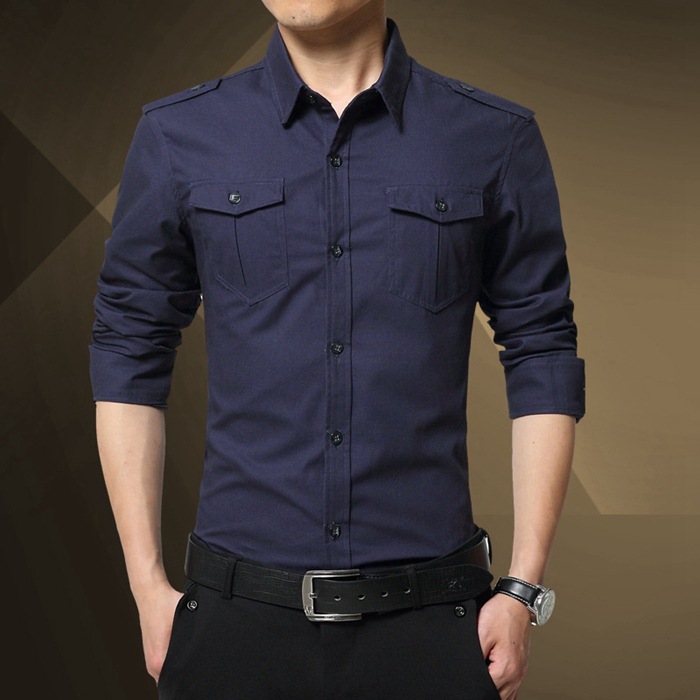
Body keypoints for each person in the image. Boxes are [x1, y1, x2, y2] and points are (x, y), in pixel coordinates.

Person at [89, 2, 586, 698]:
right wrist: (147, 589)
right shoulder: (179, 134)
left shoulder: (492, 137)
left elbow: (542, 351)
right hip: (232, 630)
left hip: (434, 626)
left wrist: (523, 590)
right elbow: (128, 350)